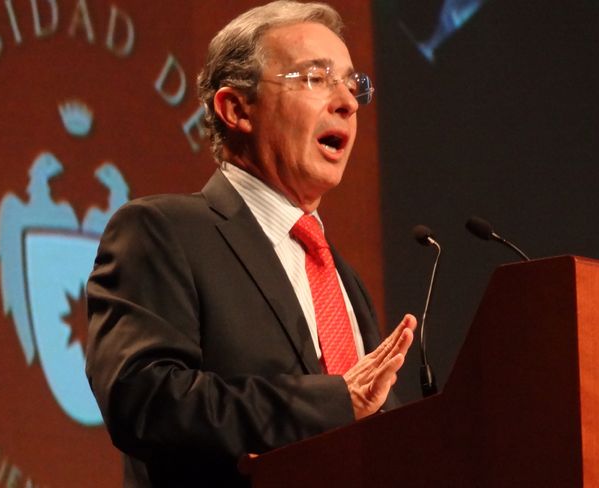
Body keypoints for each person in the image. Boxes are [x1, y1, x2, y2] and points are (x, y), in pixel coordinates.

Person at [85, 1, 416, 486]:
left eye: (351, 84)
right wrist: (332, 402)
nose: (347, 102)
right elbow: (144, 398)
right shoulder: (161, 231)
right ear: (236, 108)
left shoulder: (342, 278)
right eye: (315, 78)